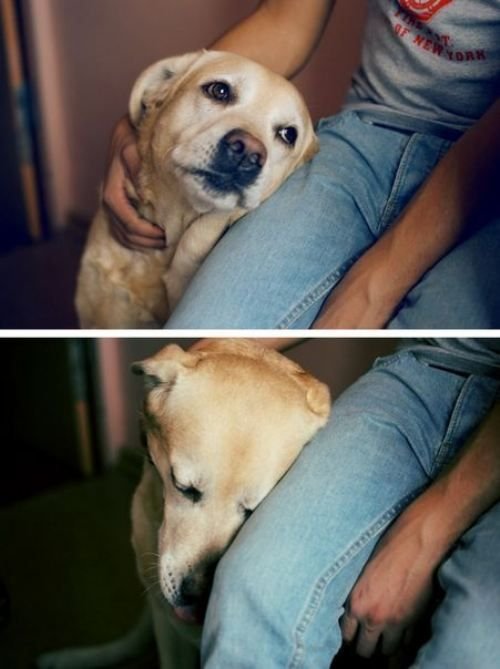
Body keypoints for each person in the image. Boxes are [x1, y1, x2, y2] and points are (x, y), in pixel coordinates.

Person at [102, 0, 500, 329]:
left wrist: (376, 284)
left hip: (489, 168)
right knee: (198, 331)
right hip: (364, 131)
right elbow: (286, 19)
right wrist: (149, 115)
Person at [199, 337, 500, 668]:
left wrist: (426, 535)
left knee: (471, 643)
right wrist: (217, 351)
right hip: (426, 365)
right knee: (255, 590)